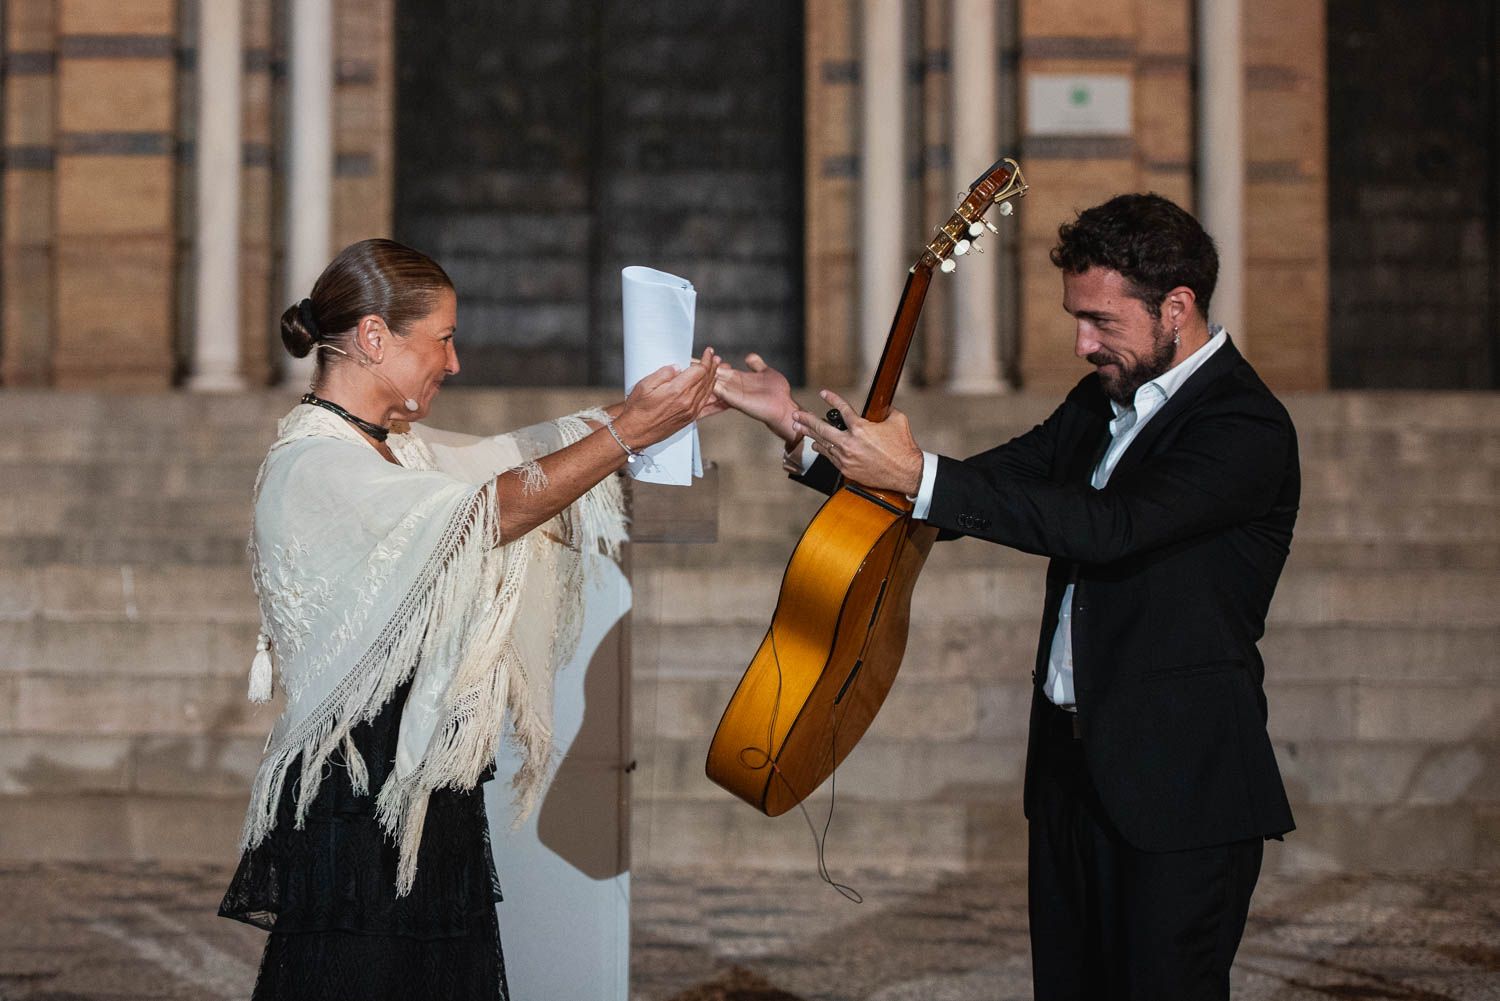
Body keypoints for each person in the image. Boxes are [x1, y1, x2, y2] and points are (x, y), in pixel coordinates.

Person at [715, 193, 1299, 1000]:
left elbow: (1111, 527)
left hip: (1180, 791)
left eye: (1100, 320)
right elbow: (974, 493)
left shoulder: (1244, 427)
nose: (1080, 343)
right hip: (1070, 771)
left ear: (1177, 306)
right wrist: (798, 432)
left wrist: (920, 476)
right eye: (1074, 317)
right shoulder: (1100, 403)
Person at [218, 238, 721, 1000]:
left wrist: (652, 407)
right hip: (359, 806)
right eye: (443, 339)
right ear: (375, 337)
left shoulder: (395, 453)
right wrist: (629, 434)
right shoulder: (315, 466)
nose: (453, 364)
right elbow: (487, 507)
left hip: (422, 794)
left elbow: (508, 459)